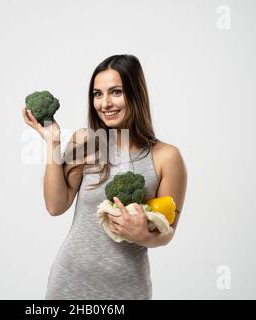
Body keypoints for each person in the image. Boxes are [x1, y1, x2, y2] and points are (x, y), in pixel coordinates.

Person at [21, 54, 187, 299]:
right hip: (70, 283)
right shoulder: (86, 141)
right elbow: (55, 206)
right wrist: (53, 142)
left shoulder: (167, 157)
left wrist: (143, 235)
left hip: (128, 289)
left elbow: (168, 231)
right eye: (97, 94)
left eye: (116, 92)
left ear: (136, 93)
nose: (105, 103)